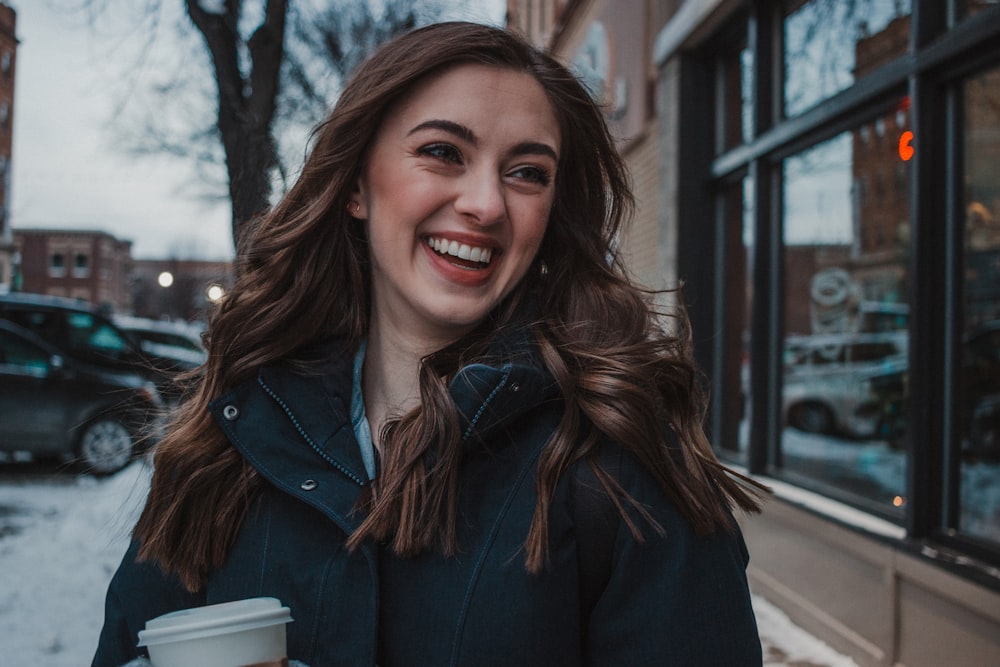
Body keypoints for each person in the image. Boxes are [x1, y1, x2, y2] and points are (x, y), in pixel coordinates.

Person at [93, 21, 765, 667]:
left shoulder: (623, 463)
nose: (486, 203)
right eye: (443, 152)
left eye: (527, 172)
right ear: (356, 184)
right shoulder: (230, 438)